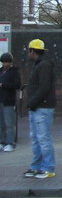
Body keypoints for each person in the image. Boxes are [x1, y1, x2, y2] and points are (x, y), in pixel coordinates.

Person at [23, 38, 56, 178]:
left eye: (28, 51)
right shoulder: (40, 65)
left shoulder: (44, 66)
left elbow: (44, 87)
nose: (27, 53)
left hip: (42, 107)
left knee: (43, 139)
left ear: (32, 51)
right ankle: (36, 166)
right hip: (37, 107)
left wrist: (32, 103)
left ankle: (48, 168)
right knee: (36, 139)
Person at [0, 52, 21, 151]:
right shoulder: (0, 71)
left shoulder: (14, 72)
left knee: (9, 123)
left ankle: (10, 142)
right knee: (1, 123)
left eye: (6, 62)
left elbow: (17, 85)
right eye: (3, 62)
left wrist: (4, 85)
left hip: (9, 100)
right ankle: (2, 141)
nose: (5, 64)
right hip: (1, 99)